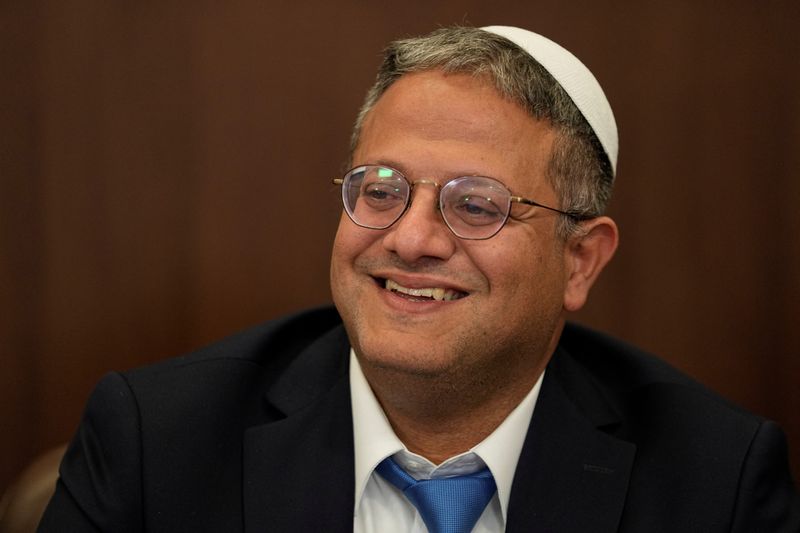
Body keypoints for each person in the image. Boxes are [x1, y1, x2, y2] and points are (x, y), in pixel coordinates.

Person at [39, 25, 799, 533]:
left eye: (477, 205)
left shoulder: (715, 481)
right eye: (381, 189)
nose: (411, 239)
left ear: (579, 260)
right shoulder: (158, 440)